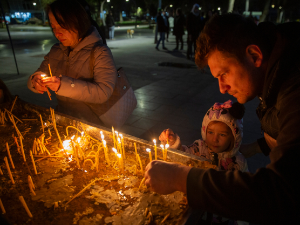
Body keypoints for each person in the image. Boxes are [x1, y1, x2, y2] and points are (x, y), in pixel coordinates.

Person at [145, 13, 300, 224]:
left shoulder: (294, 85)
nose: (221, 87)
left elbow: (281, 194)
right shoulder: (282, 70)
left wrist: (181, 178)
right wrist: (260, 145)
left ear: (254, 55)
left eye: (223, 74)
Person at [27, 0, 117, 125]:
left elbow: (103, 92)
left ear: (78, 23)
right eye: (53, 27)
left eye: (63, 26)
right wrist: (35, 81)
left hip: (93, 123)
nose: (57, 33)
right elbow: (39, 72)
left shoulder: (99, 52)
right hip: (64, 119)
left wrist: (62, 86)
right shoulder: (56, 51)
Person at [160, 100, 248, 172]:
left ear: (234, 137)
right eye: (210, 132)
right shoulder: (199, 148)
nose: (215, 139)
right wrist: (173, 141)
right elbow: (183, 154)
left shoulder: (239, 163)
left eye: (222, 135)